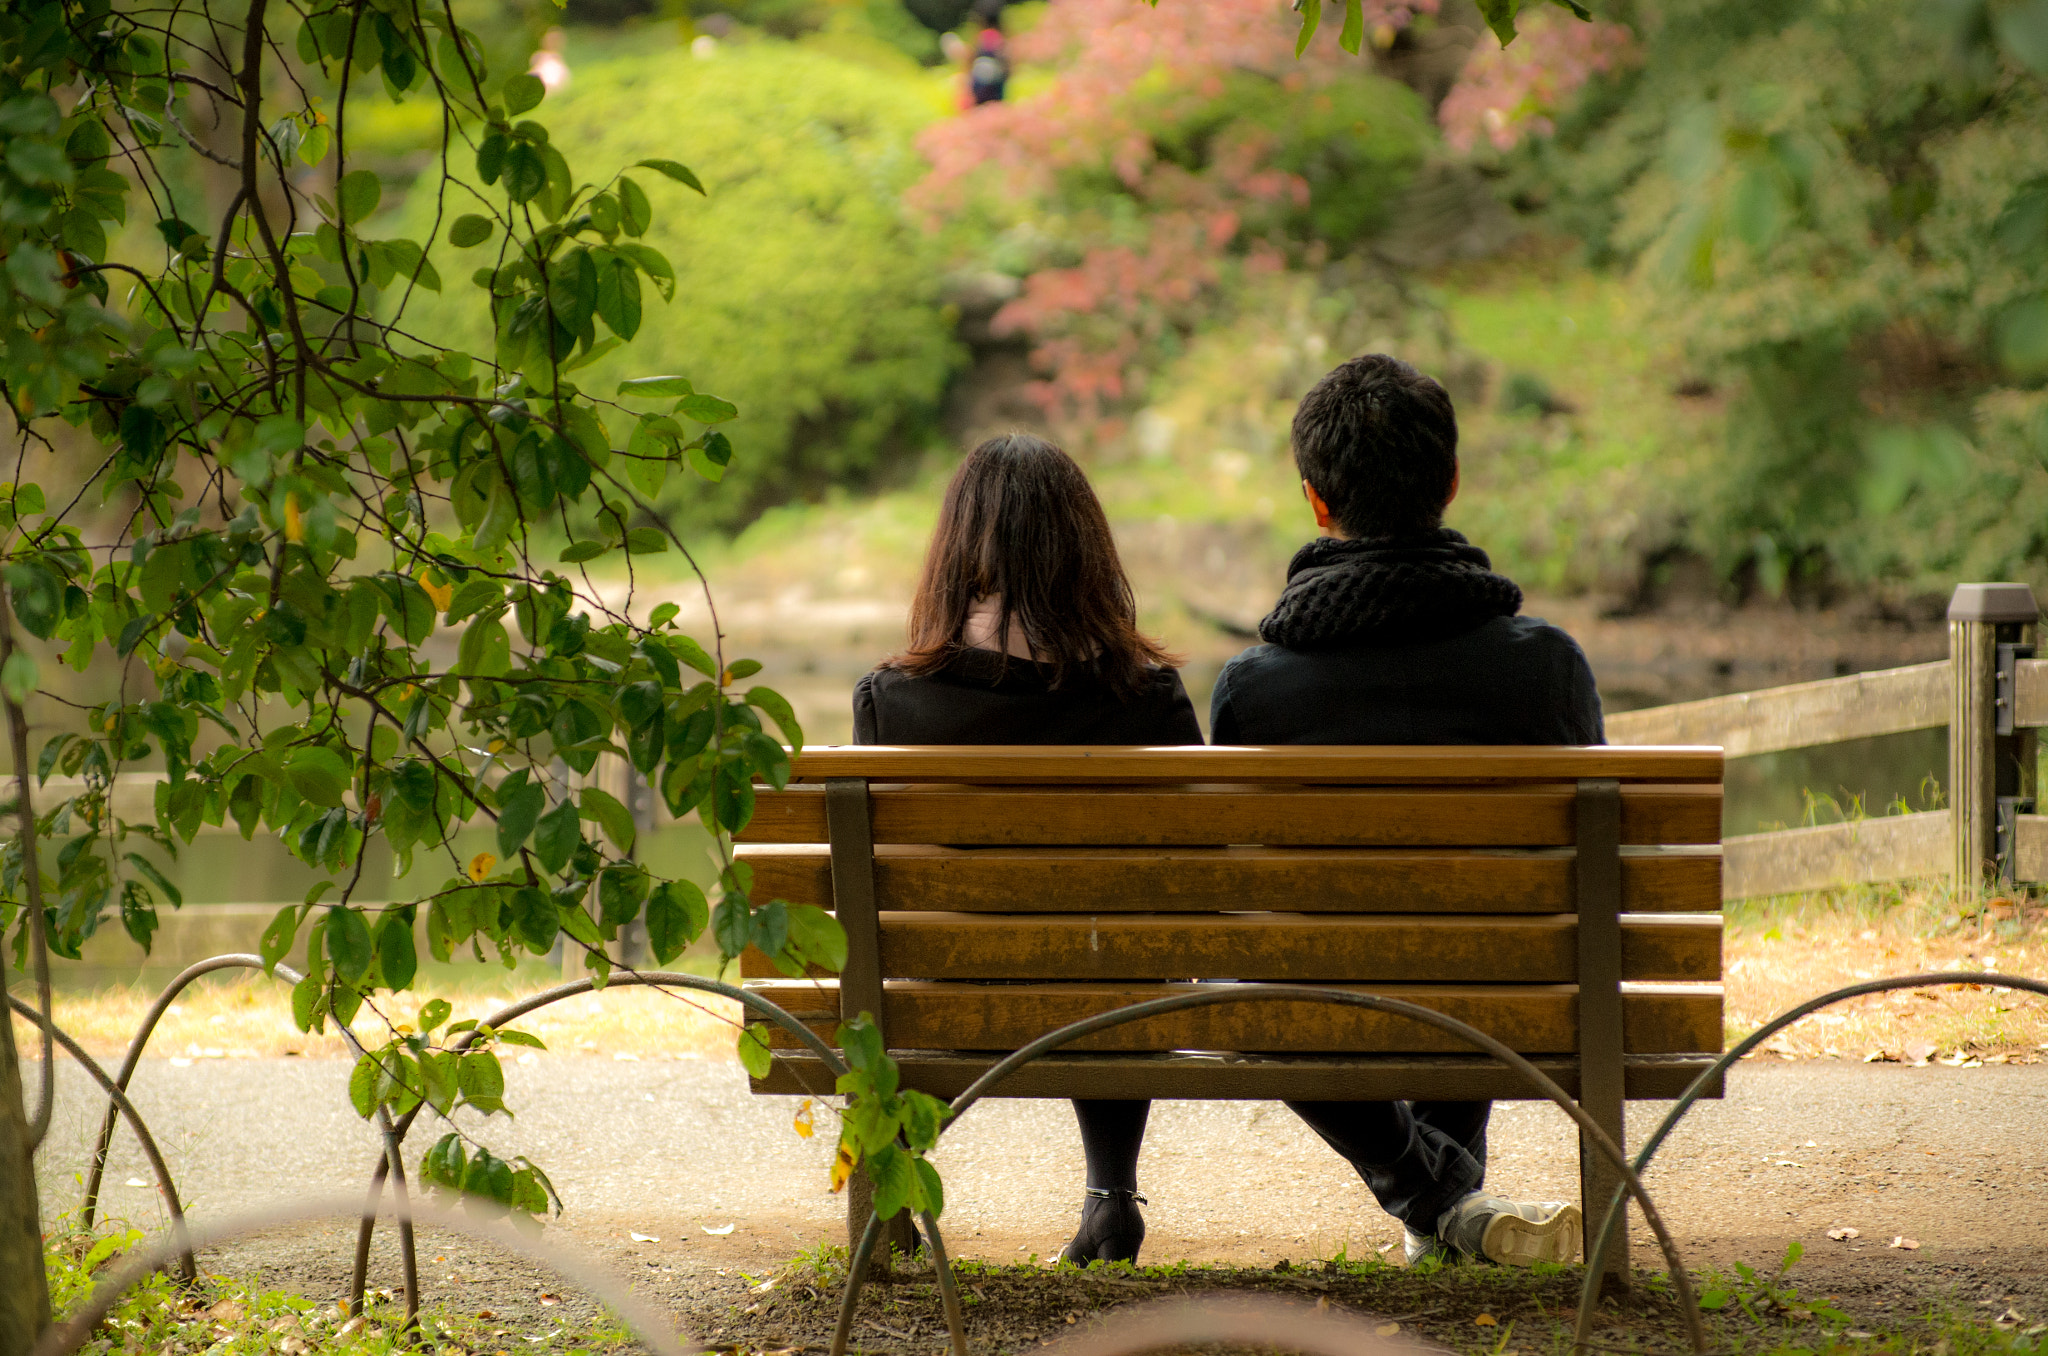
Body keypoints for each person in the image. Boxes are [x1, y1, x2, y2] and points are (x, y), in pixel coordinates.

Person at [1210, 353, 1602, 1267]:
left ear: (1315, 500)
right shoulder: (1543, 663)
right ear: (1451, 483)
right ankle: (1452, 1204)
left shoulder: (1255, 691)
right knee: (1470, 927)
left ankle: (1437, 1201)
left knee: (1262, 983)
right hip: (1520, 980)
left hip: (1318, 993)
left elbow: (1244, 892)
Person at [853, 432, 1200, 1266]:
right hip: (1118, 994)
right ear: (1087, 549)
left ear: (957, 550)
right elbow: (1199, 869)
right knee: (1115, 940)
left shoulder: (894, 700)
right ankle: (1112, 1193)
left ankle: (893, 1205)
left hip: (946, 990)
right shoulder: (1148, 700)